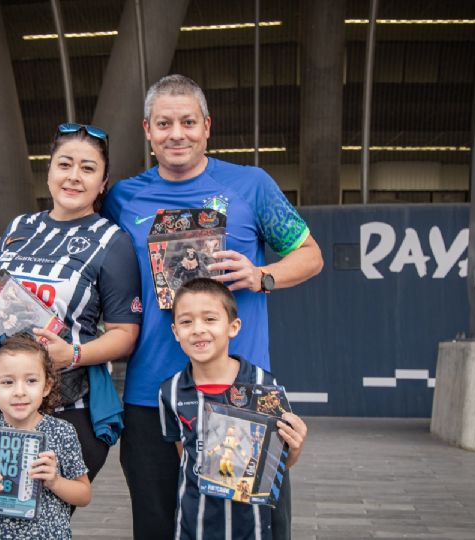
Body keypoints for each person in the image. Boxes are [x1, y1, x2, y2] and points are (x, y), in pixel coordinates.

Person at [101, 74, 323, 539]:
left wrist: (262, 276)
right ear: (147, 130)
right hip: (152, 396)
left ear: (207, 126)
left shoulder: (251, 185)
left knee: (250, 528)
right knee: (157, 527)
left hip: (238, 395)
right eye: (164, 123)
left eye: (188, 122)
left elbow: (310, 256)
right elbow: (78, 243)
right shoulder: (123, 198)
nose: (176, 134)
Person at [0, 123, 142, 487]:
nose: (74, 176)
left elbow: (125, 335)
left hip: (68, 411)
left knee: (44, 514)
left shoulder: (113, 242)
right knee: (4, 511)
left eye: (88, 168)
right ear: (48, 172)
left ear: (103, 183)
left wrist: (72, 354)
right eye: (65, 164)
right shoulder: (19, 227)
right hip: (8, 408)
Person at [158, 278, 309, 539]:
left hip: (253, 527)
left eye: (210, 319)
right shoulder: (170, 391)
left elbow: (277, 466)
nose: (198, 329)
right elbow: (185, 457)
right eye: (186, 322)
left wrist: (295, 447)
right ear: (175, 332)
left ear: (233, 326)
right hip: (195, 525)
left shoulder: (264, 385)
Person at [0, 333, 92, 539]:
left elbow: (84, 495)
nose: (20, 391)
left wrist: (55, 481)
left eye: (31, 380)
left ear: (46, 386)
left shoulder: (62, 432)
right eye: (7, 382)